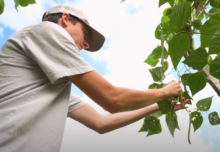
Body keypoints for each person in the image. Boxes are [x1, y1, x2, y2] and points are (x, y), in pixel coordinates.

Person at [0, 4, 188, 152]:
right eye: (85, 34)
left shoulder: (54, 87)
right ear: (65, 19)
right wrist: (164, 91)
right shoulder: (47, 30)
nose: (87, 44)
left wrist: (158, 105)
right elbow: (112, 100)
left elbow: (101, 123)